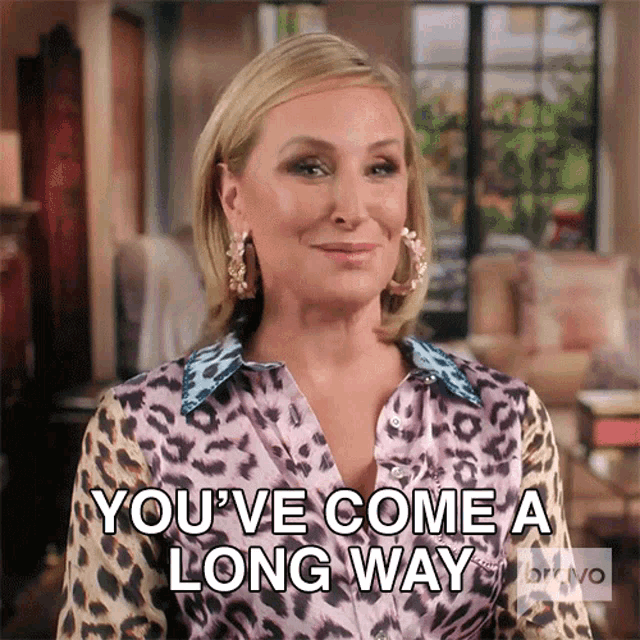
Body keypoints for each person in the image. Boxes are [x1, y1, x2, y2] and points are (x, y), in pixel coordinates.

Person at [56, 33, 593, 640]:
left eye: (380, 168)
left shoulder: (508, 419)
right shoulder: (138, 430)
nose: (352, 207)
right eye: (310, 167)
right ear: (233, 198)